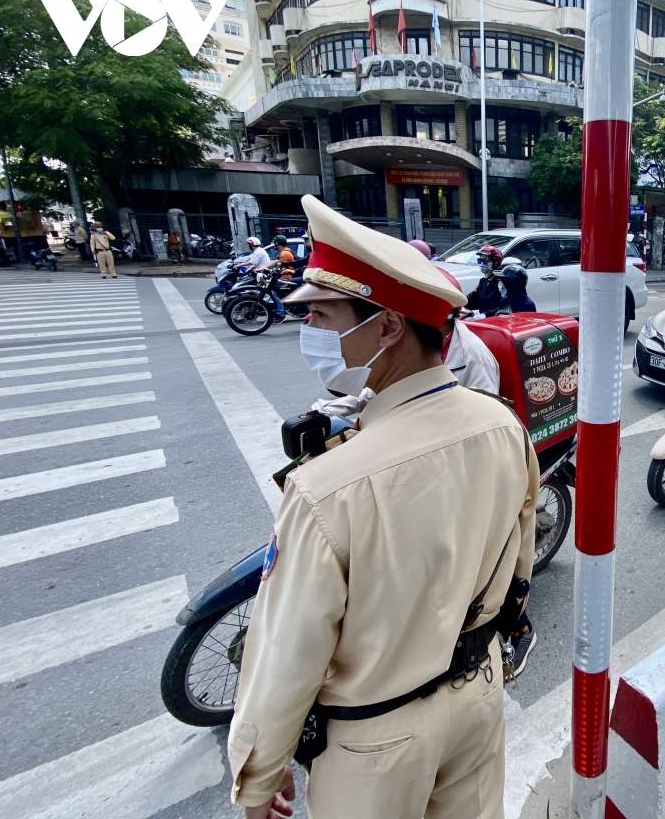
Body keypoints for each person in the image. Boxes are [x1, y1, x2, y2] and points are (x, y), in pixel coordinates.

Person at [227, 195, 537, 819]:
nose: (311, 331)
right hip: (478, 698)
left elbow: (287, 651)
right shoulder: (501, 425)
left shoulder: (325, 488)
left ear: (389, 327)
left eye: (321, 315)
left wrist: (258, 775)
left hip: (376, 740)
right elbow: (519, 563)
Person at [466, 245, 506, 315]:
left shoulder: (501, 283)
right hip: (482, 321)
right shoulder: (483, 282)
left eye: (484, 261)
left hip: (496, 321)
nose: (481, 264)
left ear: (495, 263)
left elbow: (504, 306)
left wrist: (485, 315)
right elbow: (472, 300)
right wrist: (458, 301)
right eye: (479, 260)